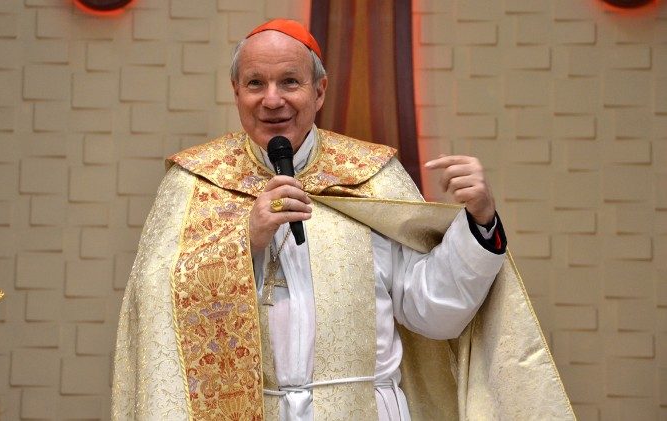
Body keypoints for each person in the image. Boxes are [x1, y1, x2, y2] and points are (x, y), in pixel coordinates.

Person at [112, 19, 573, 421]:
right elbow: (154, 303)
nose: (272, 99)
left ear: (319, 91)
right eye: (255, 83)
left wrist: (480, 223)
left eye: (289, 82)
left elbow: (430, 310)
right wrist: (244, 241)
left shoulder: (371, 176)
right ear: (236, 91)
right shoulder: (195, 181)